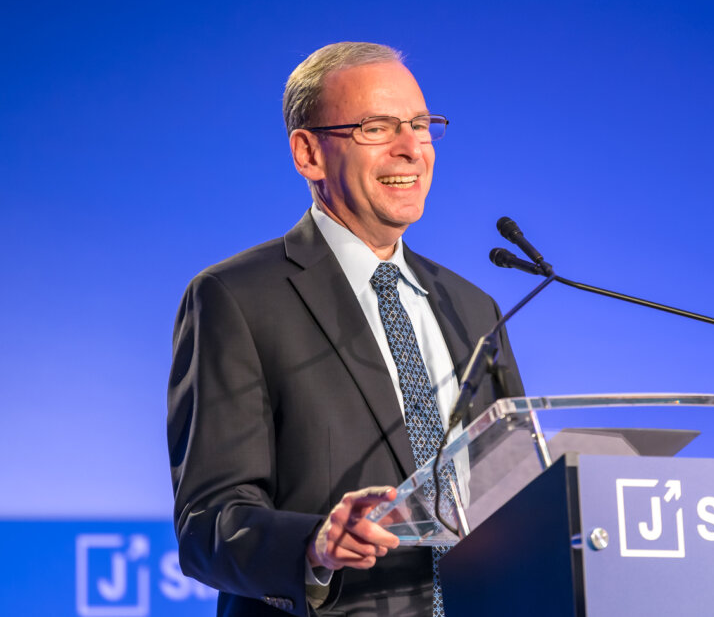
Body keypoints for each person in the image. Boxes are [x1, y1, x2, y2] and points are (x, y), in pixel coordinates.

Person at [167, 41, 523, 617]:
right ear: (308, 153)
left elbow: (514, 488)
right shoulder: (237, 298)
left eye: (421, 125)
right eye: (377, 127)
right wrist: (314, 543)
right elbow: (208, 527)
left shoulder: (472, 306)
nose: (411, 148)